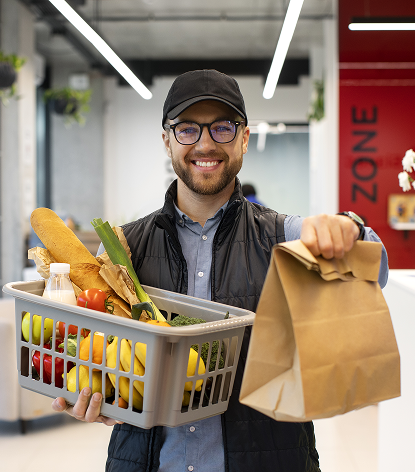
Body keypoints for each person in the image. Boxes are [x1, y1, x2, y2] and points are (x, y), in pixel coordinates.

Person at [52, 69, 389, 472]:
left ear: (245, 138)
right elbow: (96, 352)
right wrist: (98, 397)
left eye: (223, 128)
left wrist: (347, 226)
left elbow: (373, 268)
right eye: (188, 129)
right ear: (167, 141)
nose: (206, 143)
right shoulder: (125, 250)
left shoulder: (284, 236)